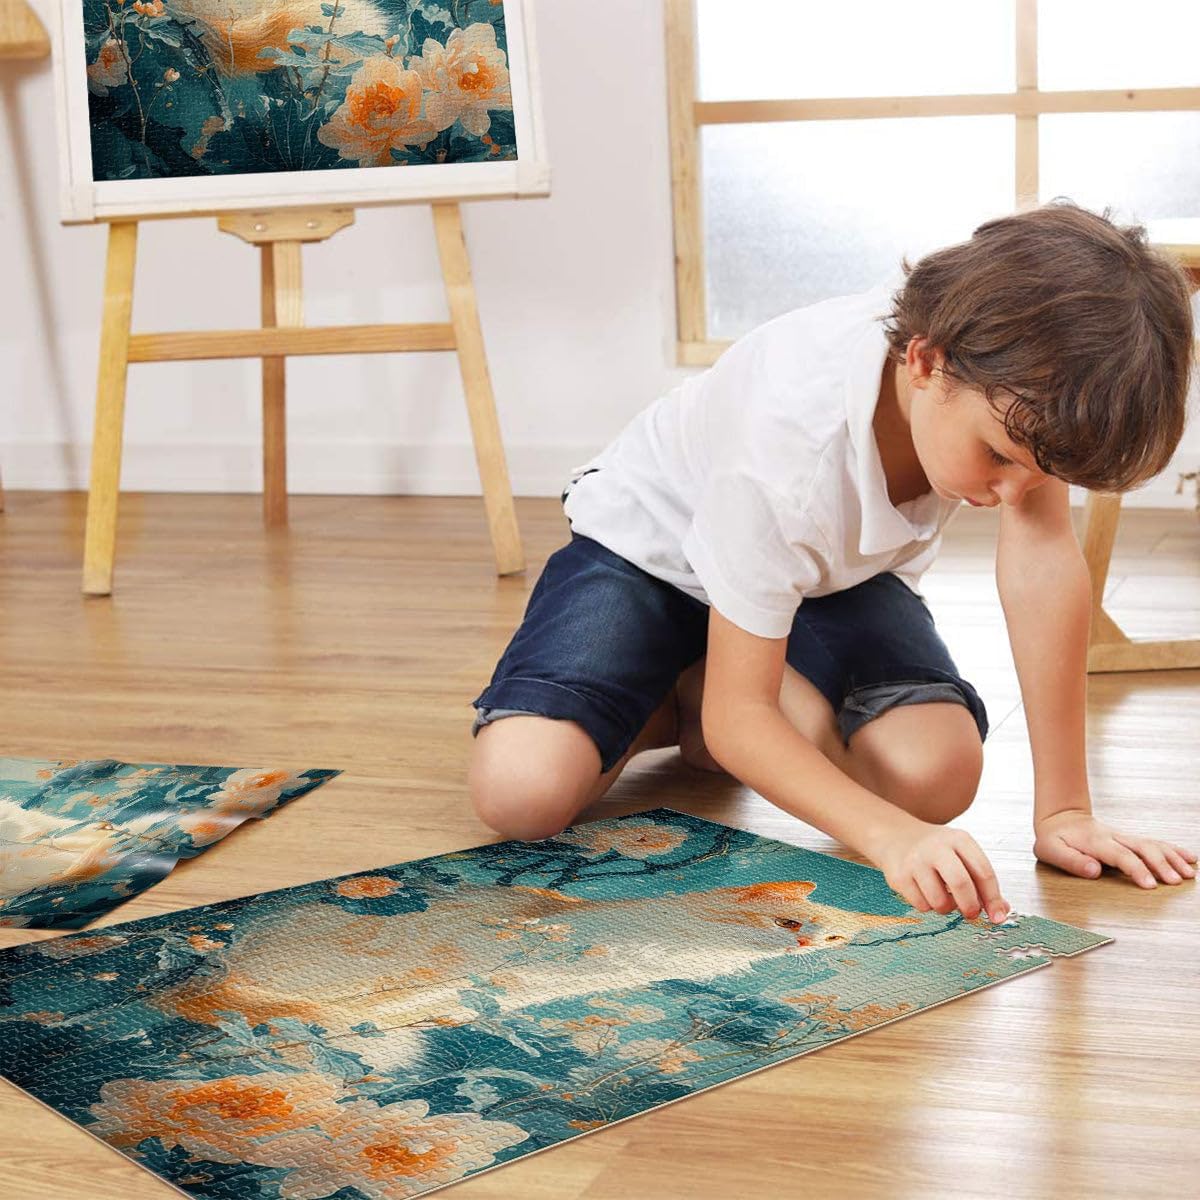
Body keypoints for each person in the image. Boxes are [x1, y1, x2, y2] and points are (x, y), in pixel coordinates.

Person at [467, 199, 1198, 923]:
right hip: (652, 555)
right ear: (925, 362)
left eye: (1039, 474)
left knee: (936, 775)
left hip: (823, 579)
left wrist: (1065, 809)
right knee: (521, 792)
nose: (1013, 493)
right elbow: (740, 718)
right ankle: (680, 687)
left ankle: (701, 681)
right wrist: (890, 837)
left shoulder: (1019, 370)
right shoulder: (787, 448)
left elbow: (1042, 563)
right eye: (999, 458)